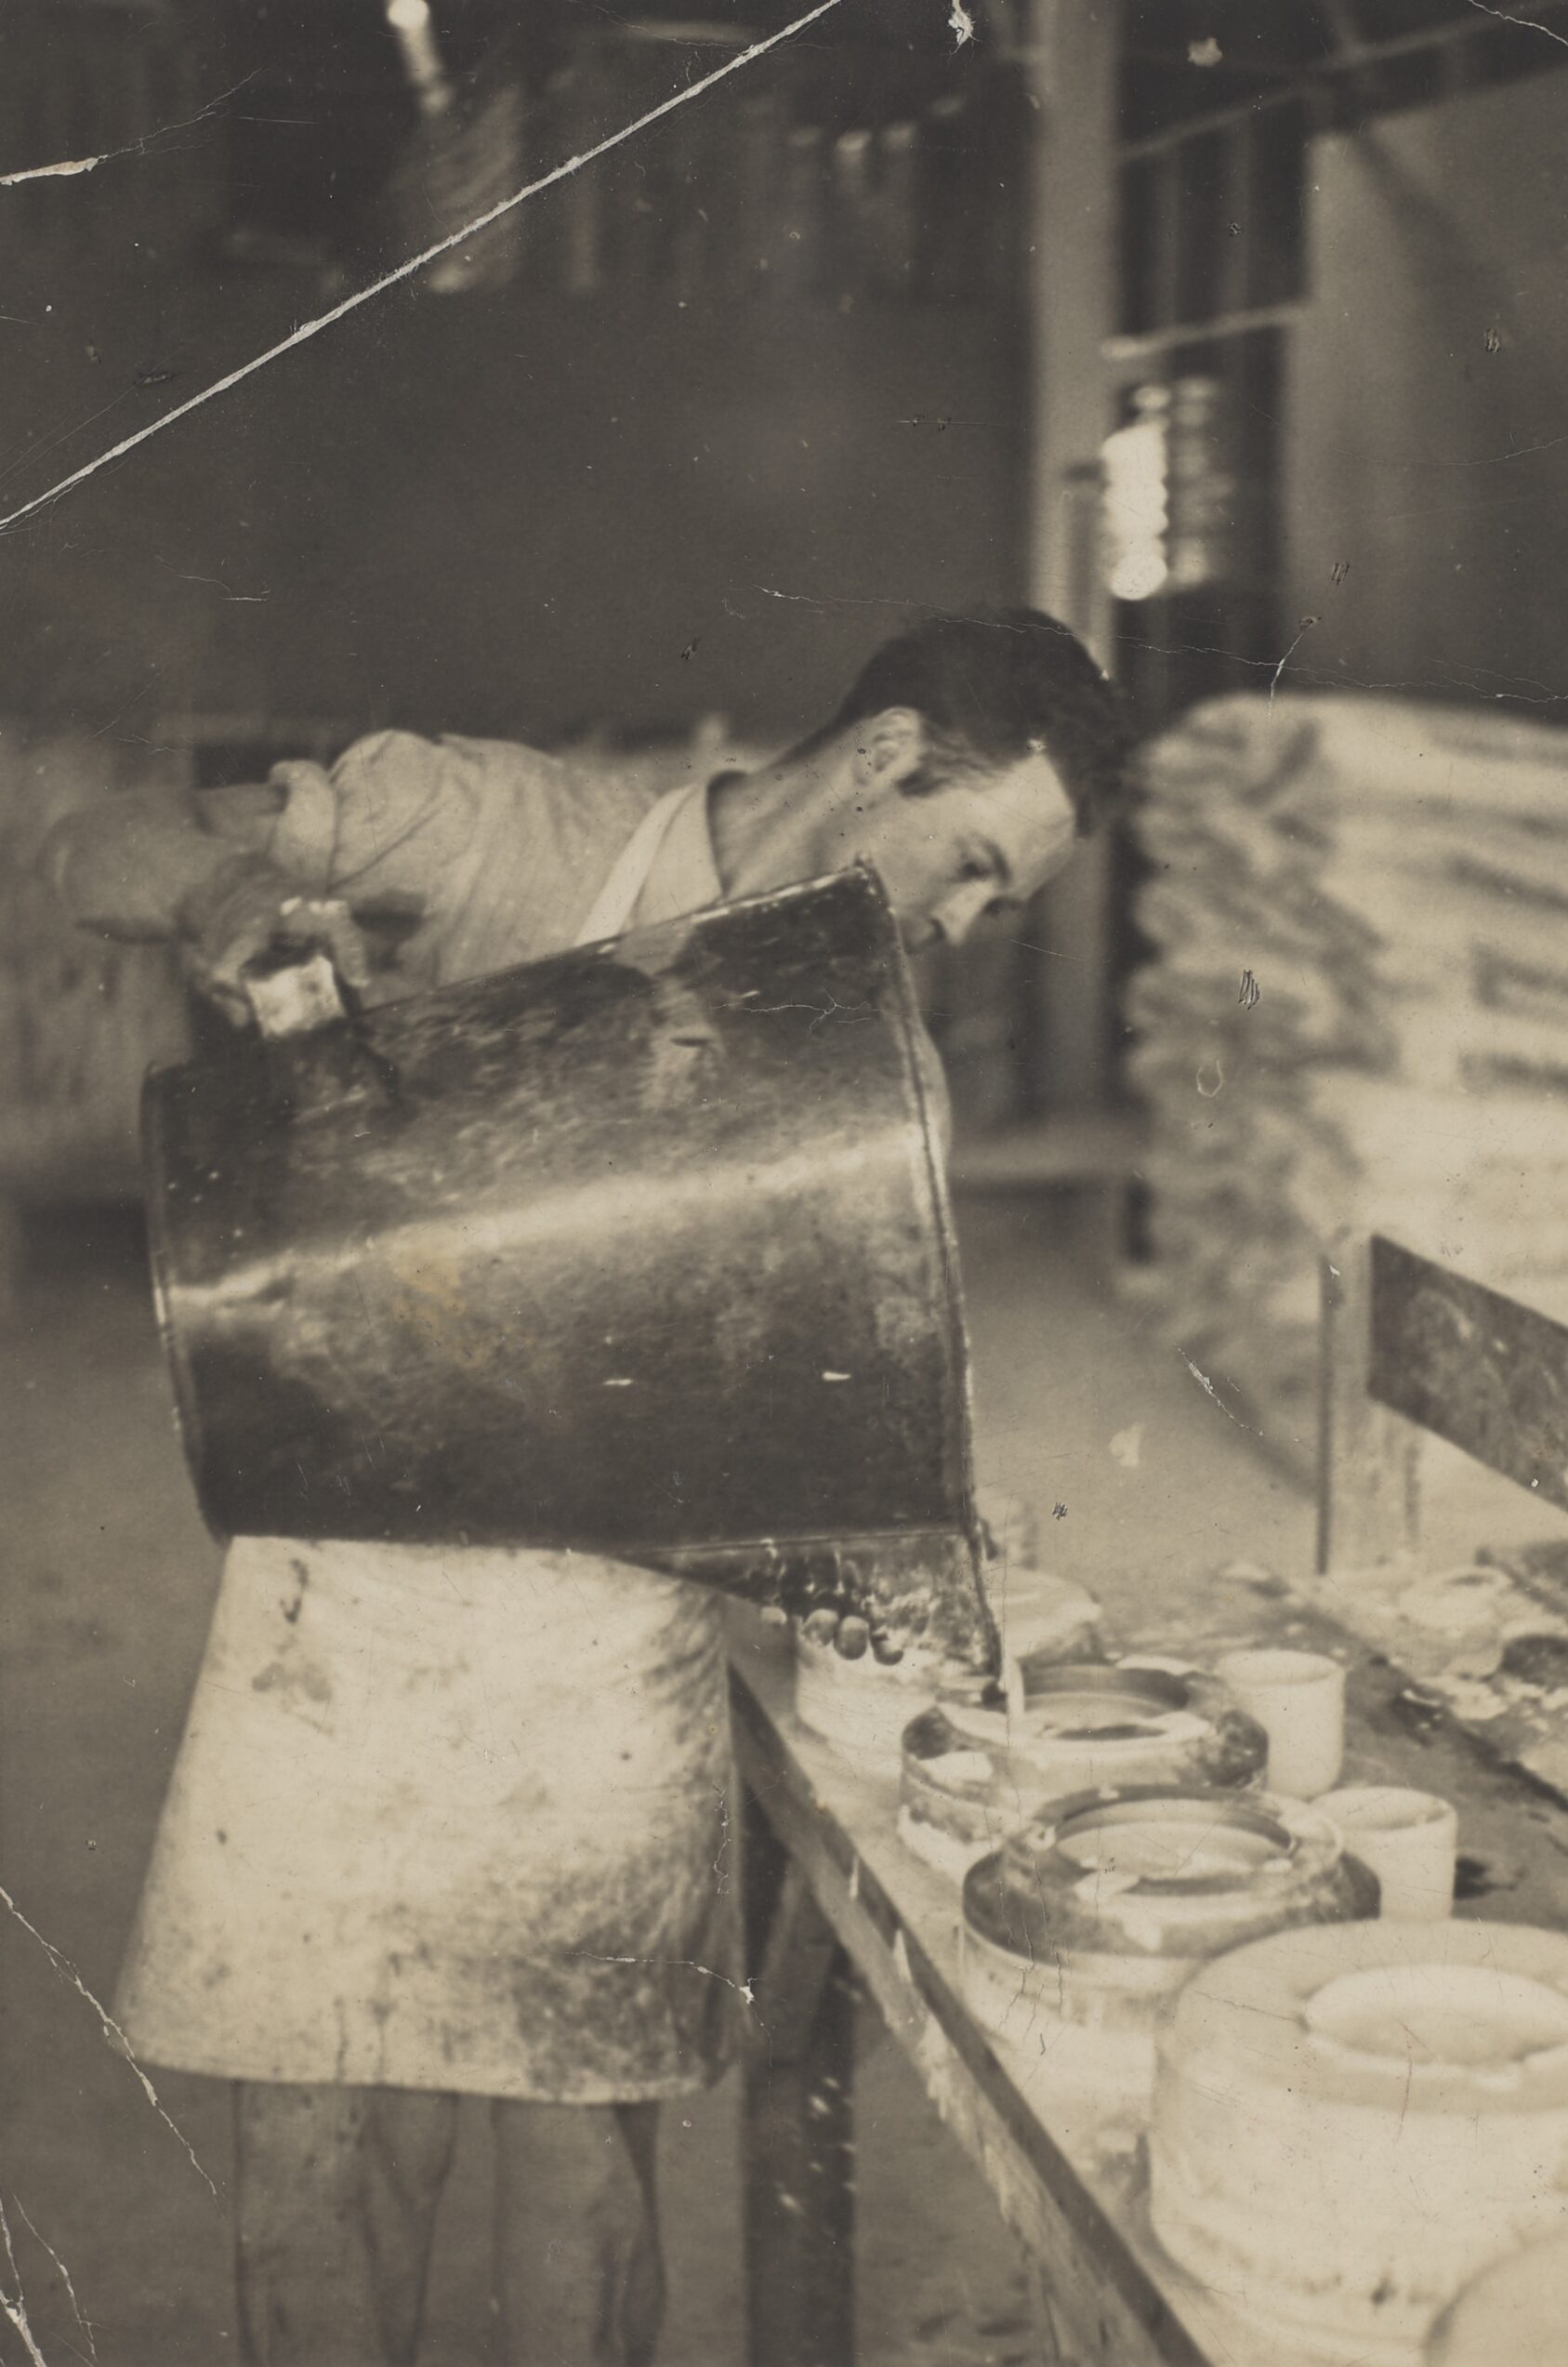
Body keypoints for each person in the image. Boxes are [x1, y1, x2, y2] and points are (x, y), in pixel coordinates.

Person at [41, 608, 1131, 2367]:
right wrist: (213, 898)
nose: (962, 926)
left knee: (583, 2208)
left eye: (1002, 904)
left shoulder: (873, 1063)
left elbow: (830, 1414)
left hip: (599, 1666)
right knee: (325, 2172)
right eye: (973, 865)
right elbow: (92, 846)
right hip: (347, 1622)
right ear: (879, 759)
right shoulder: (489, 834)